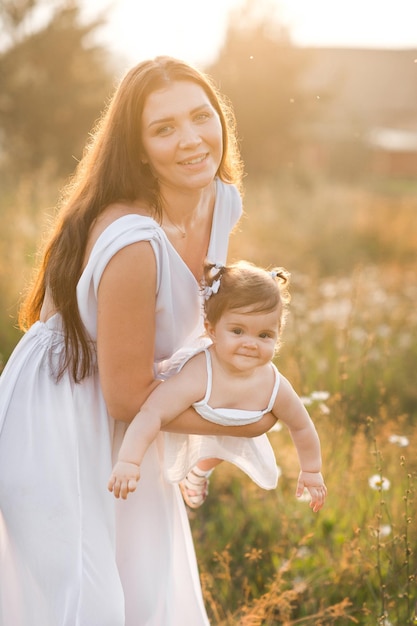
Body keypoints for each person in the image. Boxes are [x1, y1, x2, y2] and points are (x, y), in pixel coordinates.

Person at [0, 56, 278, 626]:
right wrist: (240, 421)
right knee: (90, 599)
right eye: (164, 128)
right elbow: (125, 396)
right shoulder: (133, 242)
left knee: (147, 586)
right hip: (62, 412)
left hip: (134, 408)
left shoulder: (221, 199)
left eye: (201, 116)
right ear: (139, 147)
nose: (192, 140)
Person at [108, 261, 327, 514]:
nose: (251, 344)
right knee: (168, 462)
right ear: (212, 330)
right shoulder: (199, 374)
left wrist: (311, 470)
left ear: (278, 335)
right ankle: (189, 473)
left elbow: (301, 425)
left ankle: (200, 471)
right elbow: (152, 412)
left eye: (264, 335)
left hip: (236, 424)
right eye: (237, 331)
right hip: (193, 415)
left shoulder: (274, 385)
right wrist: (128, 461)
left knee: (224, 446)